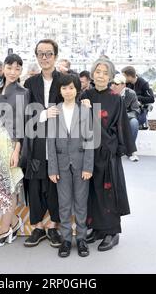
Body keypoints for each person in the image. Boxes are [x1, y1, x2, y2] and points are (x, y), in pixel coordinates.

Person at [80, 57, 135, 252]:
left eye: (105, 73)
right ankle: (96, 228)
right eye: (98, 72)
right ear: (92, 74)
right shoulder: (85, 96)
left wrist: (120, 148)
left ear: (111, 76)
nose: (101, 75)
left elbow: (121, 126)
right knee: (92, 192)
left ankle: (112, 232)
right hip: (88, 152)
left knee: (109, 191)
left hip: (108, 151)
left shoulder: (115, 99)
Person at [0, 54, 29, 248]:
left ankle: (3, 232)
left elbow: (22, 123)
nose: (13, 72)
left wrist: (17, 150)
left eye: (17, 69)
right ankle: (14, 222)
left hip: (9, 144)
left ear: (21, 71)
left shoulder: (22, 92)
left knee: (8, 189)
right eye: (9, 68)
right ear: (3, 68)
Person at [22, 39, 63, 248]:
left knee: (55, 185)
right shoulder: (30, 84)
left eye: (48, 53)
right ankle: (38, 227)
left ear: (55, 55)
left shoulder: (65, 80)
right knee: (36, 185)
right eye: (40, 54)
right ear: (37, 57)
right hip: (37, 143)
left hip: (58, 144)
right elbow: (25, 115)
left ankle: (54, 227)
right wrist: (44, 114)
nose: (44, 58)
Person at [47, 74, 94, 258]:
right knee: (64, 204)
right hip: (61, 165)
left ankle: (81, 239)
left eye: (72, 88)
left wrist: (88, 167)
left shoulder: (84, 110)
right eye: (64, 88)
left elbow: (90, 140)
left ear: (77, 90)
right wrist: (52, 168)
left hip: (82, 163)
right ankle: (66, 239)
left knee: (81, 204)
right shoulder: (54, 111)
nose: (68, 91)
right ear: (60, 90)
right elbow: (50, 141)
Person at [110, 74, 140, 162]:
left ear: (124, 85)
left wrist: (124, 116)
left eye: (117, 84)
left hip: (126, 117)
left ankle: (130, 151)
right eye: (113, 83)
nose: (113, 85)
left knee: (134, 123)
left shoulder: (131, 94)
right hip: (111, 118)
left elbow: (136, 110)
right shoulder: (108, 93)